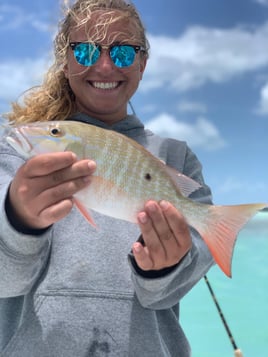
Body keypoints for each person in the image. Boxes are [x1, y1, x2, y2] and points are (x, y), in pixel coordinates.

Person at [0, 0, 214, 356]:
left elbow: (168, 292)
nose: (104, 65)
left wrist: (167, 266)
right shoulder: (17, 153)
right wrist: (17, 221)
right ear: (65, 61)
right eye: (84, 51)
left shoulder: (177, 159)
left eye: (124, 53)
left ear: (143, 64)